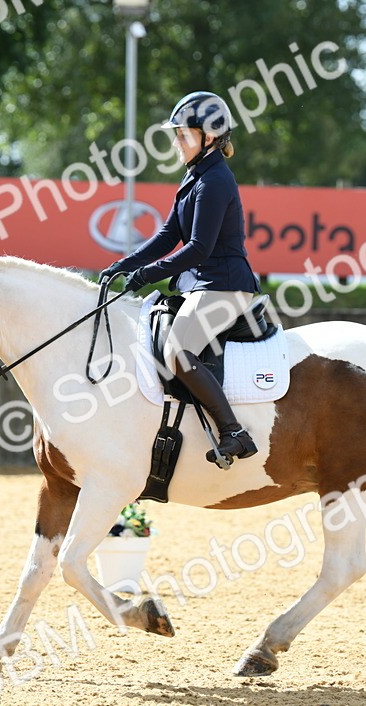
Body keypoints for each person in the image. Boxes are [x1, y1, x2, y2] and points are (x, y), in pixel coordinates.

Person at [100, 91, 261, 467]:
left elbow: (198, 249)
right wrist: (125, 264)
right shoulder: (195, 177)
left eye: (183, 135)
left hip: (225, 284)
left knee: (177, 350)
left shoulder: (215, 180)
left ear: (209, 137)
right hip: (203, 284)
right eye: (176, 135)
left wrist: (146, 275)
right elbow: (169, 235)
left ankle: (233, 431)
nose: (176, 142)